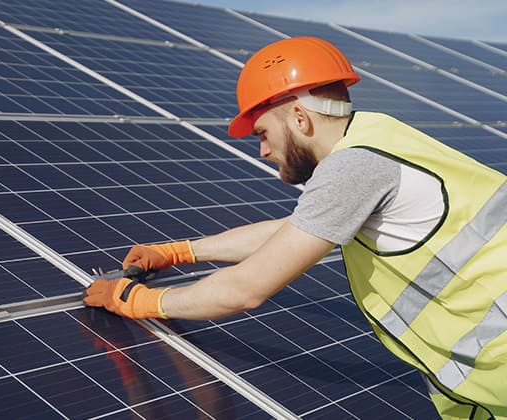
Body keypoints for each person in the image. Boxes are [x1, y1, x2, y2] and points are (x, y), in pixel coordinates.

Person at [83, 36, 507, 419]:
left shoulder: (353, 168)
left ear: (301, 118)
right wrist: (182, 250)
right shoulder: (378, 137)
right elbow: (293, 231)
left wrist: (137, 301)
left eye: (264, 133)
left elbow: (244, 290)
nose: (264, 150)